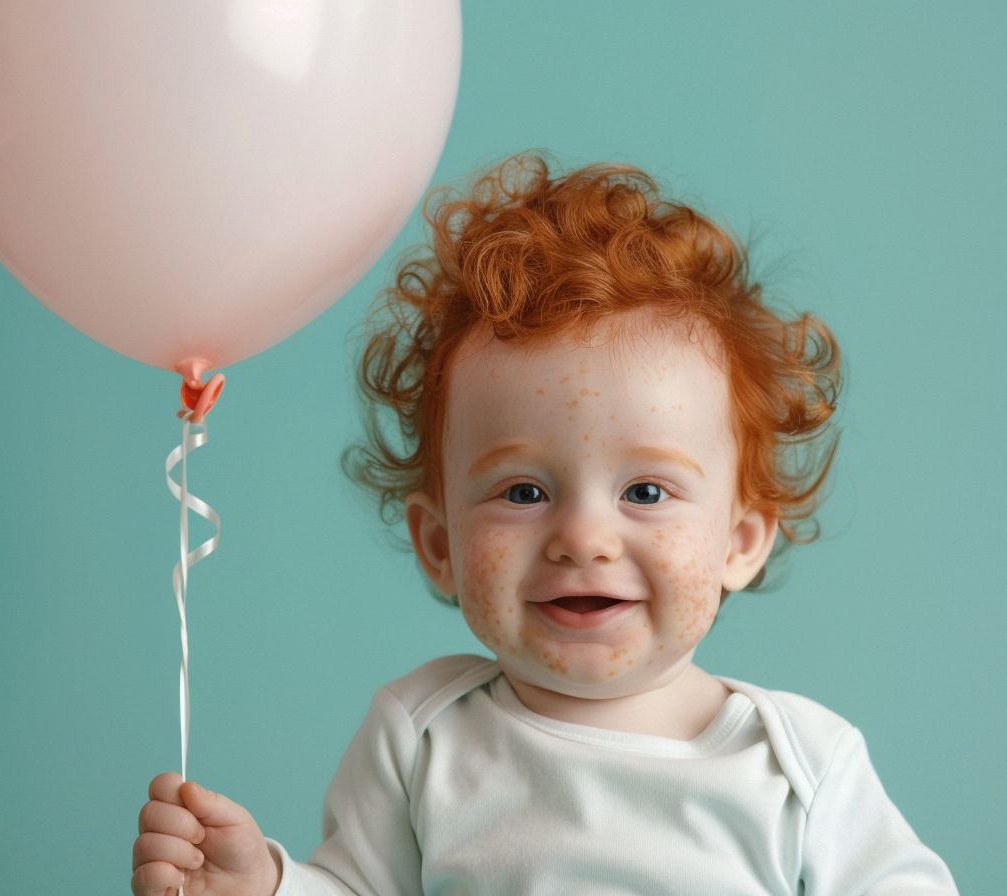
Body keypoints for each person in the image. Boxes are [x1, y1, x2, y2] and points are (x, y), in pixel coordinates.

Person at [130, 154, 958, 896]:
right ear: (440, 545)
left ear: (740, 541)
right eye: (523, 493)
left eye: (645, 491)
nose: (583, 538)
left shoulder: (798, 767)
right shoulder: (422, 737)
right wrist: (265, 888)